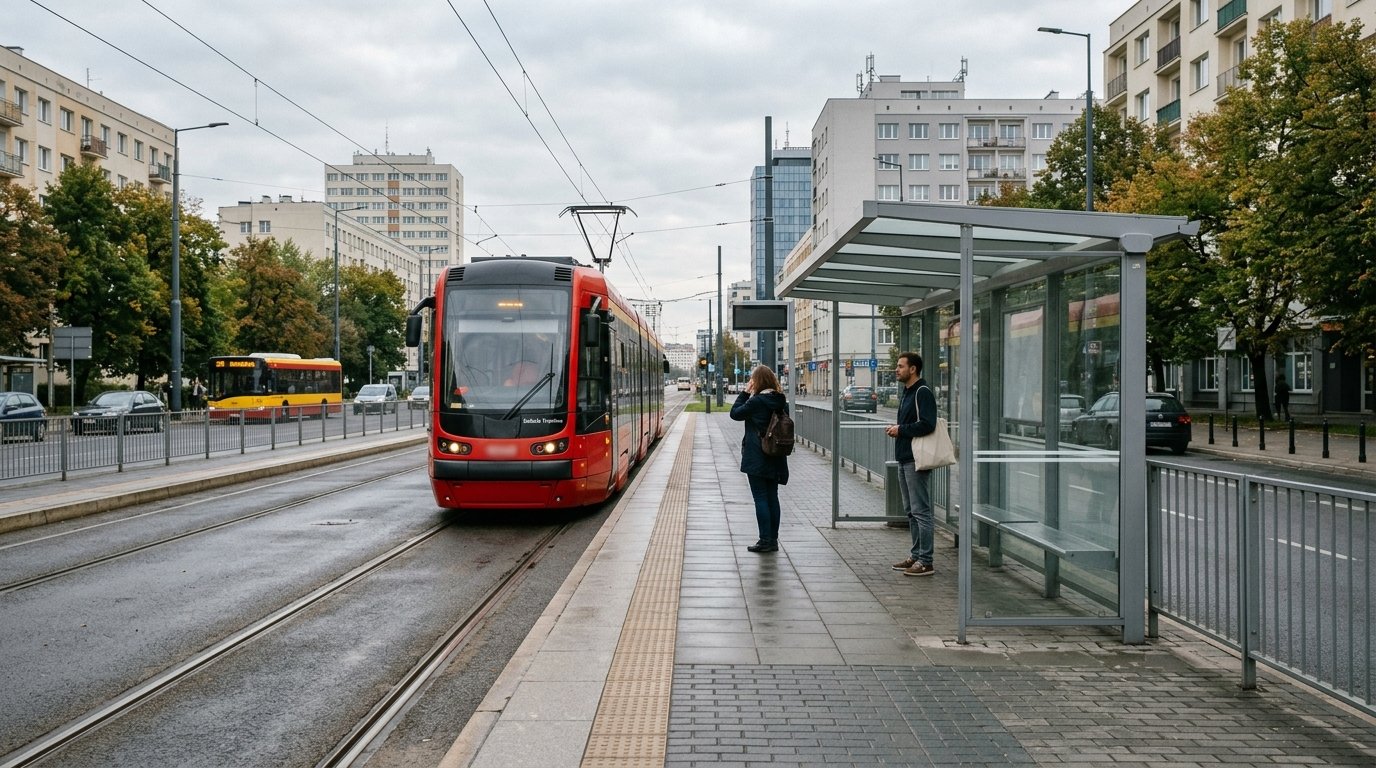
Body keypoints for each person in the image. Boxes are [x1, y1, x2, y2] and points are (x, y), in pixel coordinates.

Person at [884, 352, 938, 577]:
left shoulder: (922, 392)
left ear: (913, 369)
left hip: (916, 459)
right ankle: (916, 556)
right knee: (911, 511)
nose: (896, 370)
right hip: (905, 457)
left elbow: (928, 424)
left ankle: (926, 561)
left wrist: (901, 430)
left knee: (920, 511)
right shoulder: (908, 391)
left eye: (900, 366)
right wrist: (898, 428)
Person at [730, 364, 790, 553]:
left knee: (761, 498)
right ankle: (773, 539)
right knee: (772, 497)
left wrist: (744, 393)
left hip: (757, 456)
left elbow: (735, 414)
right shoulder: (781, 401)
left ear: (757, 382)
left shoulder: (756, 402)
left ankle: (765, 540)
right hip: (776, 455)